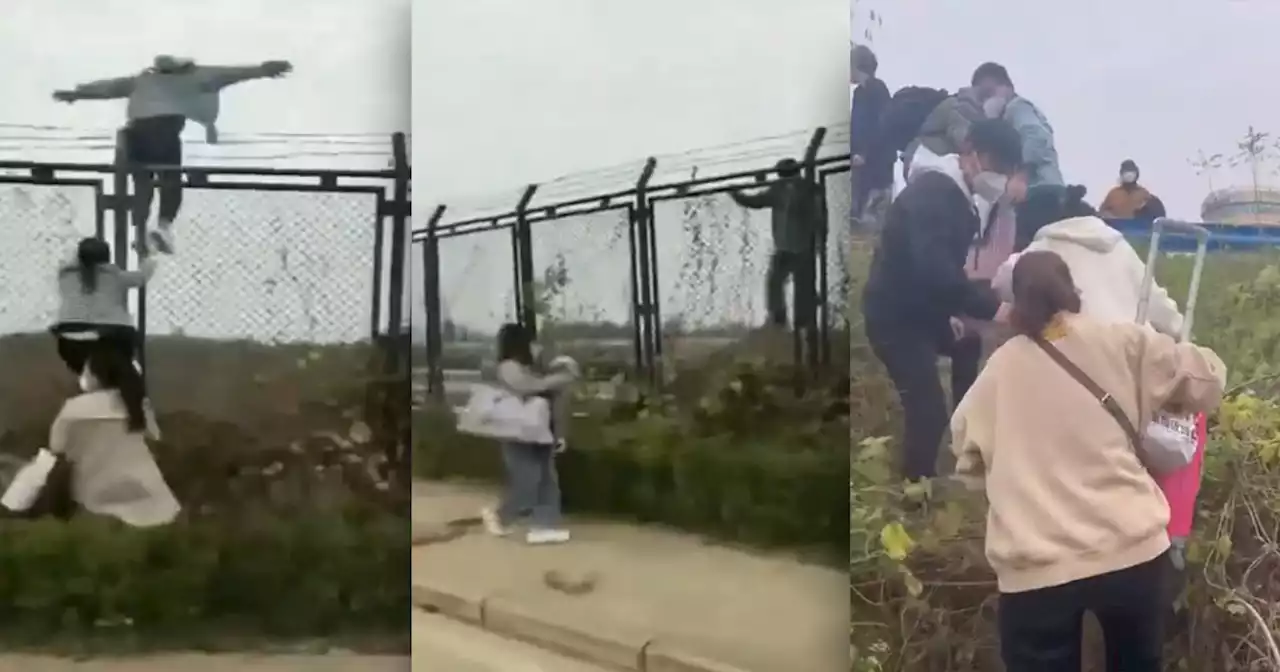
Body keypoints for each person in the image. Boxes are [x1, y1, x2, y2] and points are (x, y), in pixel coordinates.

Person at [950, 251, 1226, 672]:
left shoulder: (998, 372)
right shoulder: (1123, 340)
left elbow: (967, 458)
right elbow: (1205, 380)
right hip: (1132, 549)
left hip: (1036, 569)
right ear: (1072, 289)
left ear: (1016, 304)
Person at [861, 118, 1023, 482]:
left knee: (967, 343)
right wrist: (995, 309)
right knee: (927, 409)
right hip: (895, 320)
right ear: (971, 155)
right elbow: (934, 271)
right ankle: (914, 490)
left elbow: (941, 272)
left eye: (1006, 171)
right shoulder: (933, 195)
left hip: (921, 310)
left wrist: (949, 312)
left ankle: (965, 436)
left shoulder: (960, 198)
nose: (998, 178)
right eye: (996, 167)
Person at [53, 55, 293, 254]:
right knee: (170, 180)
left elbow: (109, 87)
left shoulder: (144, 79)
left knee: (142, 185)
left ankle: (140, 232)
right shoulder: (195, 75)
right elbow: (231, 73)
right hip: (163, 133)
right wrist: (263, 69)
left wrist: (77, 94)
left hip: (134, 135)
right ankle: (163, 226)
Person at [994, 184, 1183, 336]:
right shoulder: (1119, 246)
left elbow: (1001, 284)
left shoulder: (1039, 251)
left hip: (1077, 359)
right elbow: (1166, 314)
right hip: (1131, 360)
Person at [53, 346, 177, 527]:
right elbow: (156, 438)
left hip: (93, 497)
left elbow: (57, 447)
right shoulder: (138, 405)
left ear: (96, 376)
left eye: (86, 370)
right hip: (150, 497)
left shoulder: (73, 407)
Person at [480, 323, 578, 545]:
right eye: (530, 342)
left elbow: (554, 398)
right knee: (529, 479)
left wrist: (560, 433)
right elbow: (526, 387)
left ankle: (544, 526)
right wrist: (558, 379)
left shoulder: (536, 368)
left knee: (547, 480)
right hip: (518, 433)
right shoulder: (508, 367)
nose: (536, 346)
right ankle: (500, 515)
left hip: (540, 432)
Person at [730, 159, 822, 327]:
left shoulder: (783, 188)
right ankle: (796, 322)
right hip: (800, 247)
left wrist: (735, 193)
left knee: (779, 284)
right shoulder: (806, 187)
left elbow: (754, 201)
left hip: (793, 247)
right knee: (794, 286)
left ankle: (785, 320)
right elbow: (820, 218)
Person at [52, 237, 156, 380]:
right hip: (111, 336)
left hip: (69, 338)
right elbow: (143, 275)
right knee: (128, 347)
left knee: (85, 370)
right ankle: (129, 369)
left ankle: (87, 380)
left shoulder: (65, 276)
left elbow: (71, 263)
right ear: (107, 258)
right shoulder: (116, 277)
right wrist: (145, 254)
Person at [971, 62, 1064, 193]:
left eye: (989, 92)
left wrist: (1022, 177)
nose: (987, 101)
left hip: (1040, 188)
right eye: (982, 98)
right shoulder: (1003, 121)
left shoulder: (1017, 107)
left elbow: (1036, 136)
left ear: (1009, 88)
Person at [850, 45, 893, 233]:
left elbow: (881, 126)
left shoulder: (878, 90)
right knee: (856, 212)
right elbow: (857, 126)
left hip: (877, 163)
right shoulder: (859, 93)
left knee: (872, 215)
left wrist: (864, 153)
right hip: (860, 163)